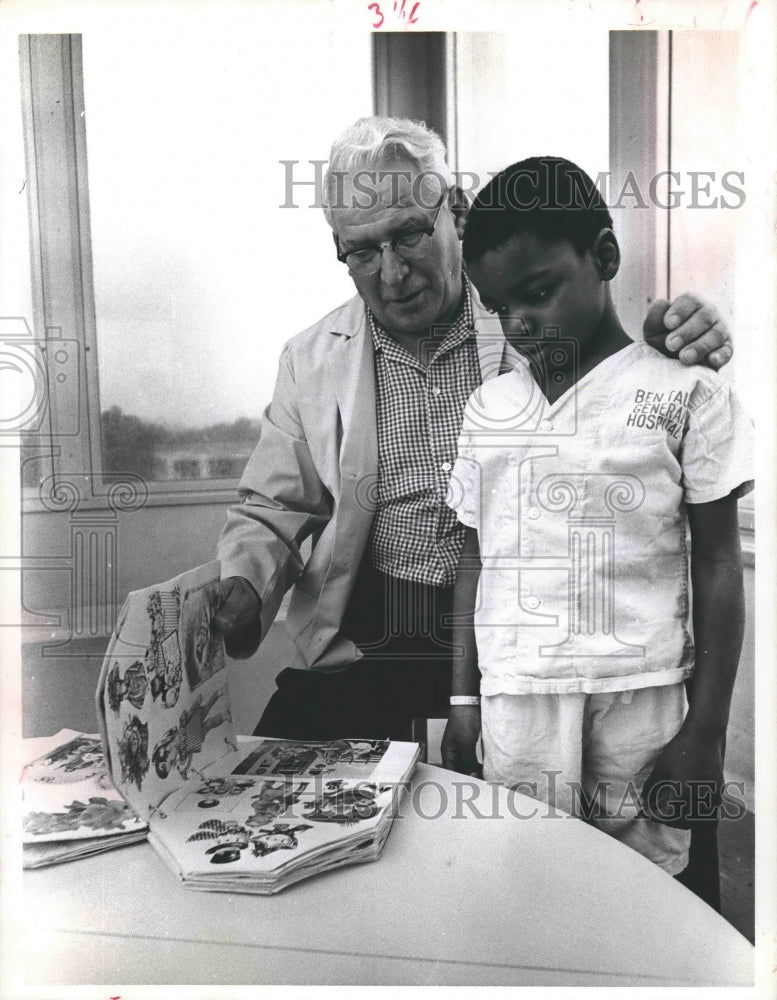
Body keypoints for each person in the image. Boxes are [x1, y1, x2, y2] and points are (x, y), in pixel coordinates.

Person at [214, 116, 734, 743]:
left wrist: (675, 329)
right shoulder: (310, 359)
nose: (393, 274)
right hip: (374, 635)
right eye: (362, 251)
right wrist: (244, 583)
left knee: (527, 817)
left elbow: (613, 355)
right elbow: (273, 506)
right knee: (283, 790)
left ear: (453, 213)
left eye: (408, 235)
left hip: (520, 630)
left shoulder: (530, 319)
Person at [441, 157, 753, 888]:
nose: (517, 324)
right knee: (529, 893)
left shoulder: (681, 391)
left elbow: (714, 564)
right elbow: (473, 560)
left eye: (538, 293)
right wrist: (460, 702)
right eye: (496, 308)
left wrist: (704, 731)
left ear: (604, 257)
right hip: (516, 702)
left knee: (647, 895)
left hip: (639, 699)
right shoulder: (489, 411)